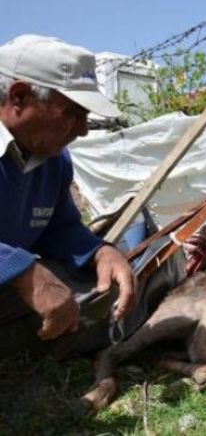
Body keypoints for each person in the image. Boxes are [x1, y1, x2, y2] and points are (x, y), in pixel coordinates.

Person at [0, 34, 136, 358]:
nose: (84, 129)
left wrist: (100, 252)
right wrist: (23, 272)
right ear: (19, 96)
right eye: (74, 113)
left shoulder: (53, 161)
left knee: (99, 285)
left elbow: (58, 227)